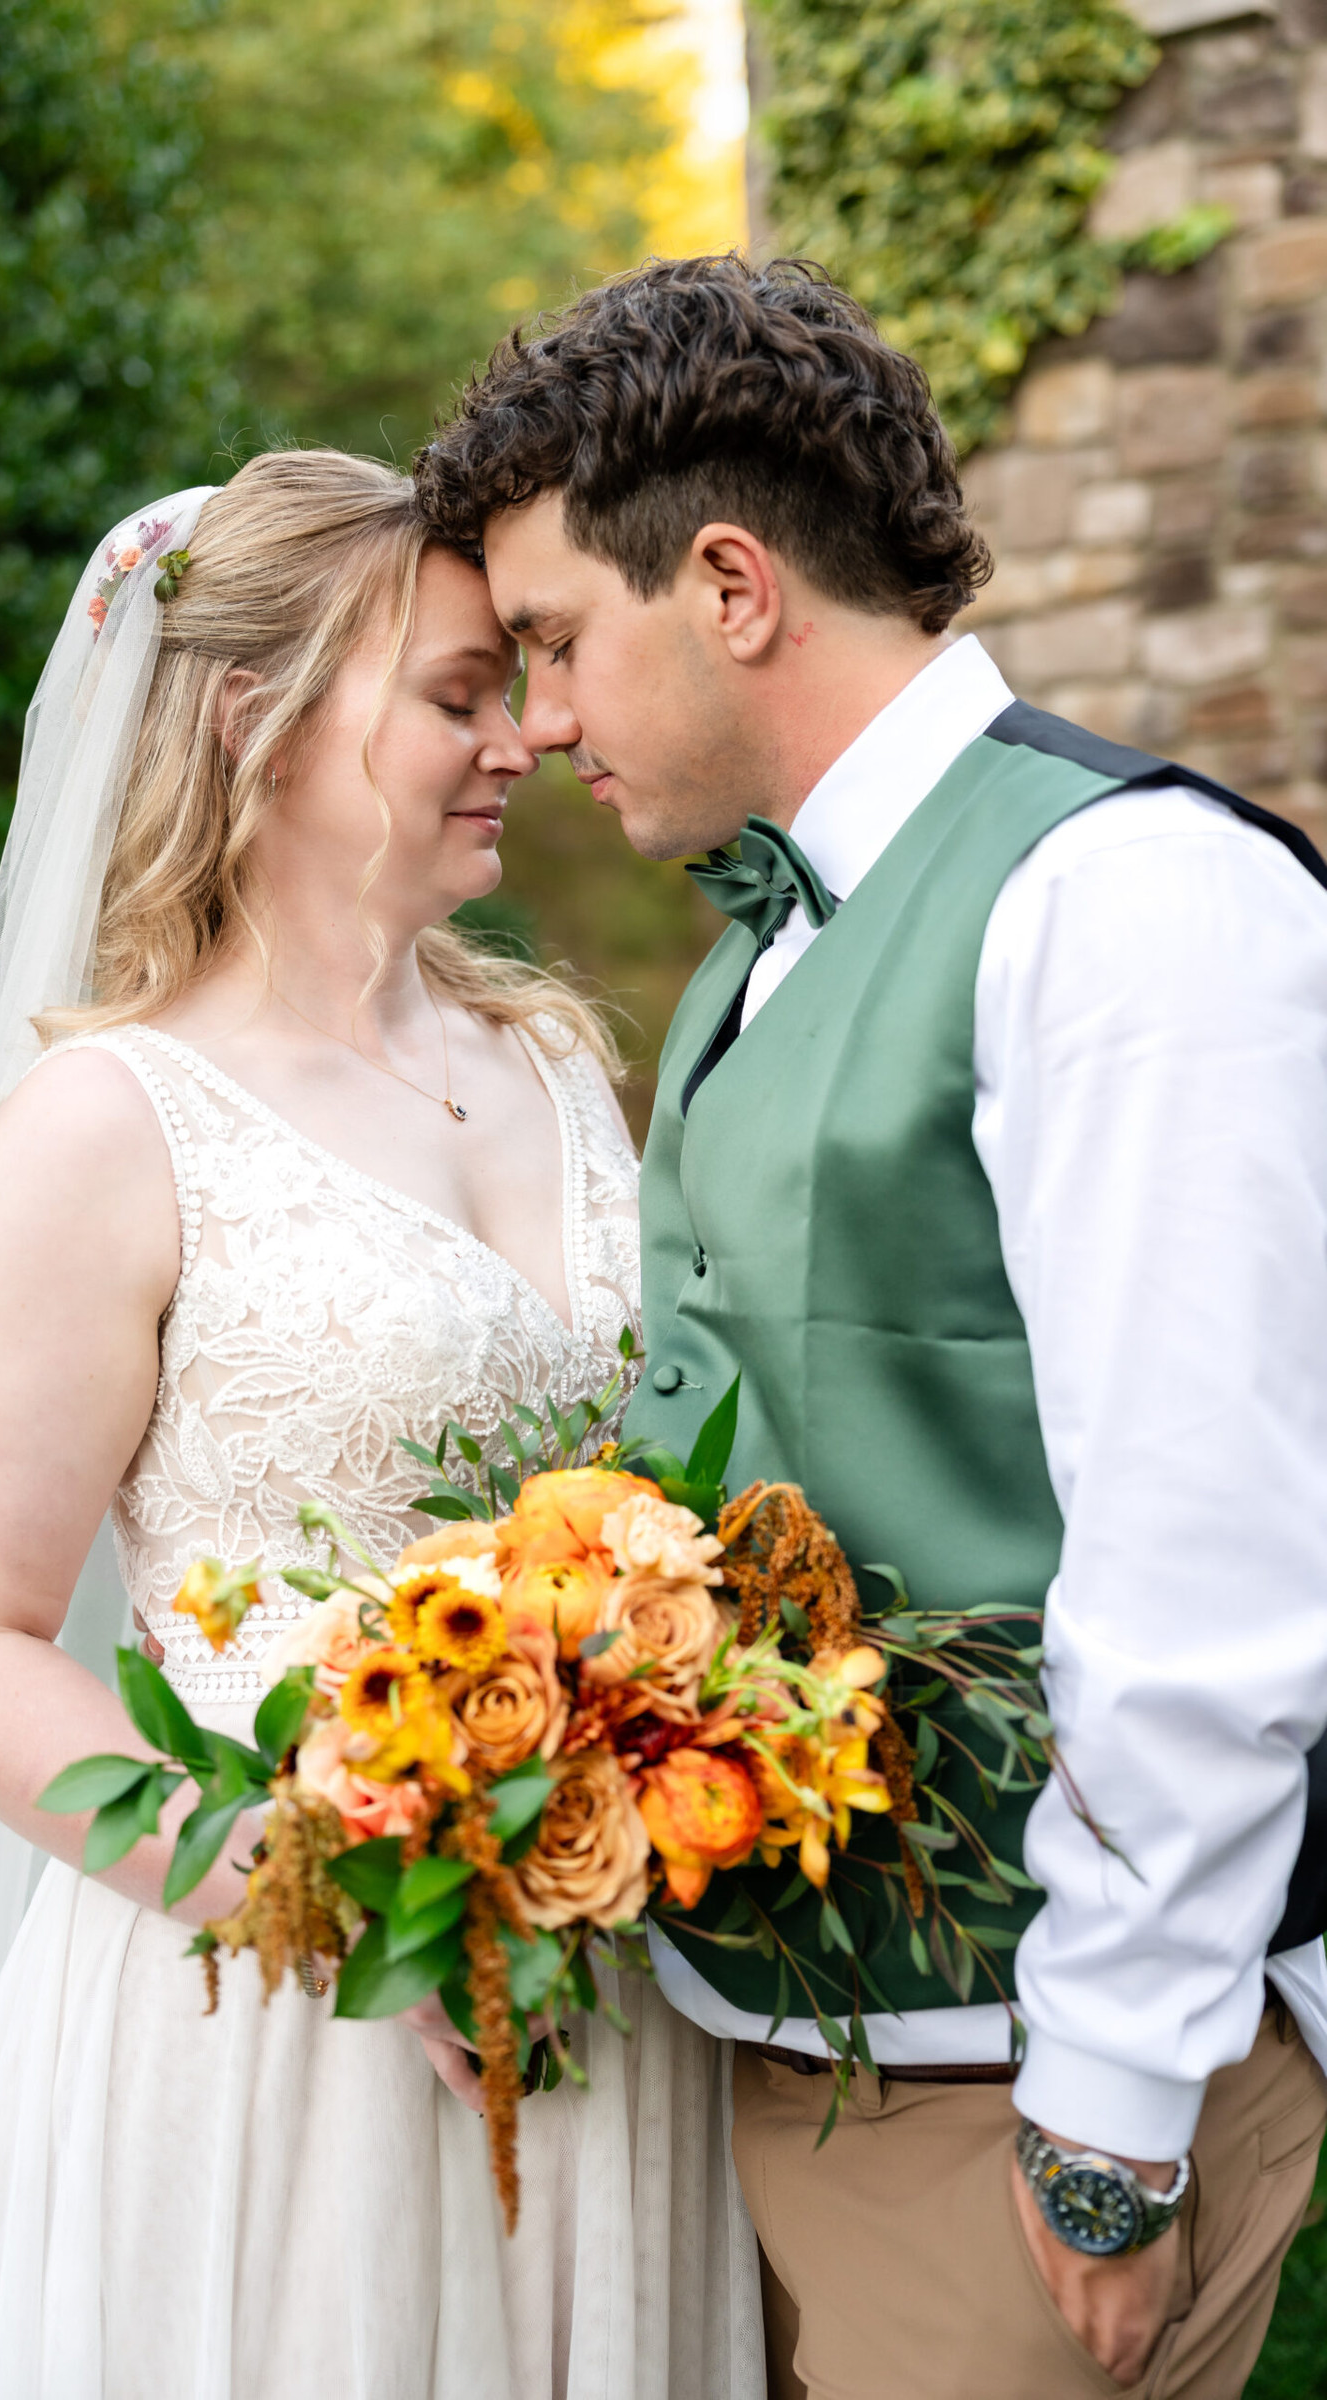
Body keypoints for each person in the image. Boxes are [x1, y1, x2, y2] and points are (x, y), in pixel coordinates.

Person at [413, 253, 1327, 2399]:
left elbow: (1206, 1571)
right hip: (792, 2041)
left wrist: (1104, 2123)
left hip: (1011, 2086)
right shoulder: (762, 943)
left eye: (551, 643)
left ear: (726, 584)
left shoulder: (1126, 911)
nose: (533, 725)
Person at [0, 449, 765, 2399]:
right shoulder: (103, 1130)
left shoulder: (554, 1060)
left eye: (522, 684)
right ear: (260, 716)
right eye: (457, 692)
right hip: (281, 2016)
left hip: (610, 1971)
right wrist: (321, 1898)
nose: (526, 735)